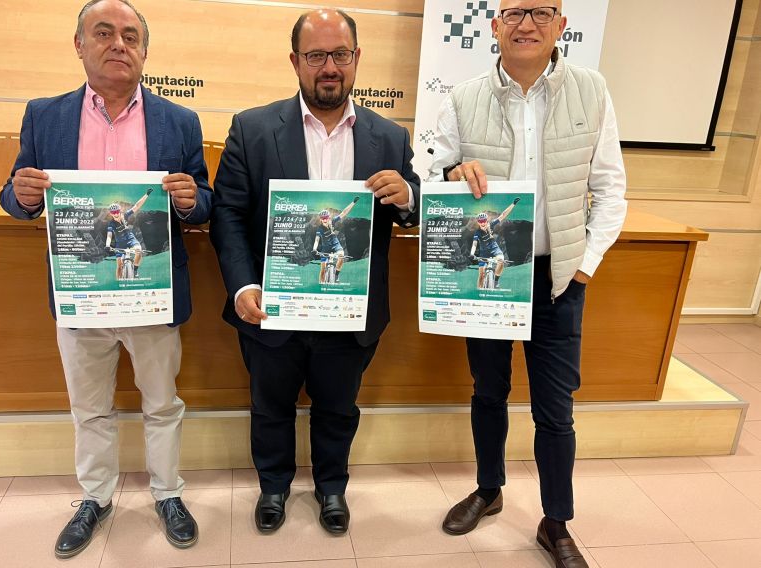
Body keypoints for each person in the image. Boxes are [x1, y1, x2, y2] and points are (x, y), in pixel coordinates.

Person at [0, 0, 212, 558]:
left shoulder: (180, 121)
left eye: (131, 36)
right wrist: (19, 197)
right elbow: (14, 193)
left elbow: (205, 201)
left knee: (162, 404)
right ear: (79, 45)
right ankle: (95, 498)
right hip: (80, 292)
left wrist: (193, 201)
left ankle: (168, 495)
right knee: (88, 408)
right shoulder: (45, 116)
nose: (119, 44)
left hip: (154, 294)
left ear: (144, 51)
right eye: (104, 33)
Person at [429, 2, 627, 567]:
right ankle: (488, 490)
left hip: (560, 277)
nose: (526, 23)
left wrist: (584, 263)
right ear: (494, 25)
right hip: (490, 281)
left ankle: (556, 522)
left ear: (561, 26)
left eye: (542, 11)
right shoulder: (464, 98)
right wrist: (449, 173)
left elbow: (612, 189)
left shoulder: (592, 90)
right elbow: (426, 168)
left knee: (555, 411)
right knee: (488, 391)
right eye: (514, 10)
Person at [210, 9, 420, 536]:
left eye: (341, 55)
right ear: (295, 61)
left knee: (338, 408)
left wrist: (408, 196)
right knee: (270, 405)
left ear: (356, 59)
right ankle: (274, 487)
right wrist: (242, 285)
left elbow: (410, 210)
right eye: (317, 55)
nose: (330, 66)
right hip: (272, 308)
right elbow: (229, 214)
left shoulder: (389, 137)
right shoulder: (253, 128)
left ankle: (331, 487)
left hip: (350, 312)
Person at [469, 198, 519, 289]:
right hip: (484, 252)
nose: (482, 223)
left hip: (494, 249)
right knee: (481, 275)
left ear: (486, 220)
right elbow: (474, 244)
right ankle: (479, 292)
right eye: (480, 221)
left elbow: (503, 215)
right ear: (478, 222)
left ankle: (495, 281)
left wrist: (513, 204)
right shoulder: (477, 232)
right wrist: (472, 253)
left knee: (501, 260)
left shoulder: (491, 224)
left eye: (484, 221)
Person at [105, 189, 151, 279]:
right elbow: (109, 235)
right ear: (111, 214)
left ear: (120, 211)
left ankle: (135, 270)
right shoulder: (111, 224)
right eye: (113, 212)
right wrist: (107, 245)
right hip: (120, 243)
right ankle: (118, 283)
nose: (116, 214)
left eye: (117, 211)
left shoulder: (125, 215)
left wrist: (146, 195)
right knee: (119, 266)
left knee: (138, 250)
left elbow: (136, 206)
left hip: (131, 240)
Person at [312, 196, 359, 283]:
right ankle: (321, 285)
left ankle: (336, 275)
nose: (325, 220)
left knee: (341, 256)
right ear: (321, 220)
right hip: (325, 248)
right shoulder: (319, 229)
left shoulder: (333, 221)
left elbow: (344, 213)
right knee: (322, 269)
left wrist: (353, 202)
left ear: (329, 218)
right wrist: (314, 249)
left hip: (335, 244)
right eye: (323, 219)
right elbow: (317, 240)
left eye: (326, 218)